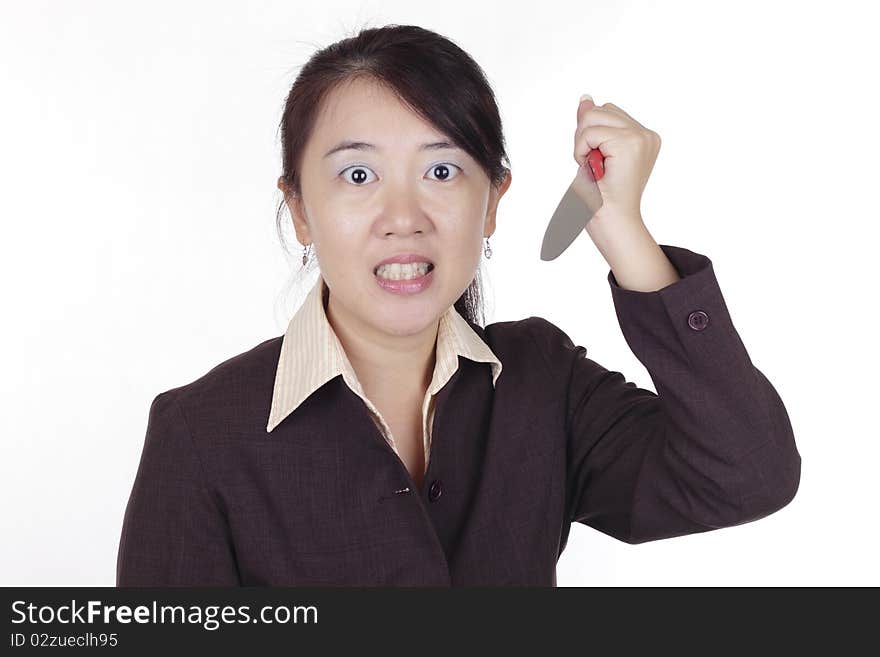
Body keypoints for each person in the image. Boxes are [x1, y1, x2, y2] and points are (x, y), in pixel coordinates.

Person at [116, 24, 801, 587]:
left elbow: (747, 471)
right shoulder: (201, 436)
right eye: (358, 174)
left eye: (442, 171)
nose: (403, 216)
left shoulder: (543, 381)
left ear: (493, 201)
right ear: (299, 209)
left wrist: (622, 230)